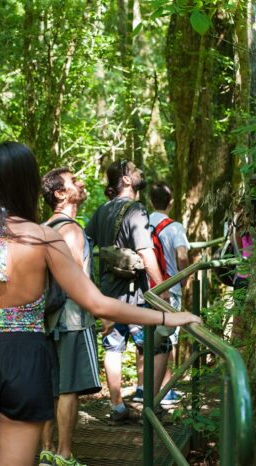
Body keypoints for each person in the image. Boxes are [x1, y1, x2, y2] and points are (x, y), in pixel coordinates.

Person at [0, 142, 201, 466]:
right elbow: (98, 304)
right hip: (27, 360)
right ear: (30, 184)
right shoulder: (45, 238)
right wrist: (166, 317)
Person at [85, 159, 173, 424]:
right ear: (124, 179)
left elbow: (85, 246)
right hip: (135, 295)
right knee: (159, 345)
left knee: (114, 347)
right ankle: (151, 407)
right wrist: (162, 288)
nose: (140, 173)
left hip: (108, 295)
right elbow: (146, 252)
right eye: (134, 170)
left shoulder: (101, 211)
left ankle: (117, 406)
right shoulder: (136, 209)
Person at [39, 167, 100, 466]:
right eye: (74, 181)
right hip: (73, 319)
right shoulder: (71, 230)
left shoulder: (43, 228)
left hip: (46, 320)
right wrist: (104, 312)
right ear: (61, 194)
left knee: (51, 388)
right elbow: (77, 279)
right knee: (69, 389)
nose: (82, 182)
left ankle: (46, 450)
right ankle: (64, 455)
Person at [149, 181, 190, 405]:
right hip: (169, 289)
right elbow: (182, 256)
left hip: (146, 291)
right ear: (171, 202)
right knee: (168, 339)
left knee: (148, 341)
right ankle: (165, 392)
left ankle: (144, 391)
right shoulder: (174, 227)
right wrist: (184, 279)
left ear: (149, 201)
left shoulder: (142, 223)